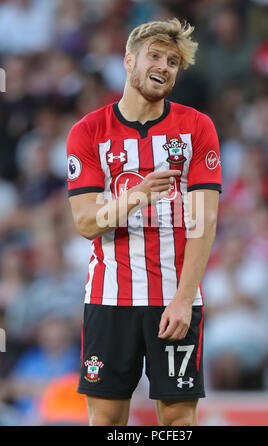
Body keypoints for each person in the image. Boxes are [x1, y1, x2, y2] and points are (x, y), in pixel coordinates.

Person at [67, 18, 222, 426]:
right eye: (155, 56)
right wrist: (138, 195)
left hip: (174, 298)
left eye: (173, 61)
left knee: (178, 421)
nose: (165, 66)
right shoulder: (88, 131)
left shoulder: (197, 127)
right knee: (107, 422)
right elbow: (86, 223)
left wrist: (185, 298)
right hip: (108, 297)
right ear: (129, 60)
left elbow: (204, 221)